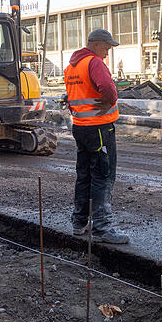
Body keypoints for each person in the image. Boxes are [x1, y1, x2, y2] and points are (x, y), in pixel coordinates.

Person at [64, 29, 128, 244]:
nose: (107, 53)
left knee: (84, 175)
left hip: (81, 127)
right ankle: (102, 228)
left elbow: (73, 95)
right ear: (98, 45)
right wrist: (110, 101)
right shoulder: (94, 62)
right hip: (100, 128)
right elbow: (108, 87)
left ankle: (79, 222)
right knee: (103, 175)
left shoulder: (72, 65)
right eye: (107, 48)